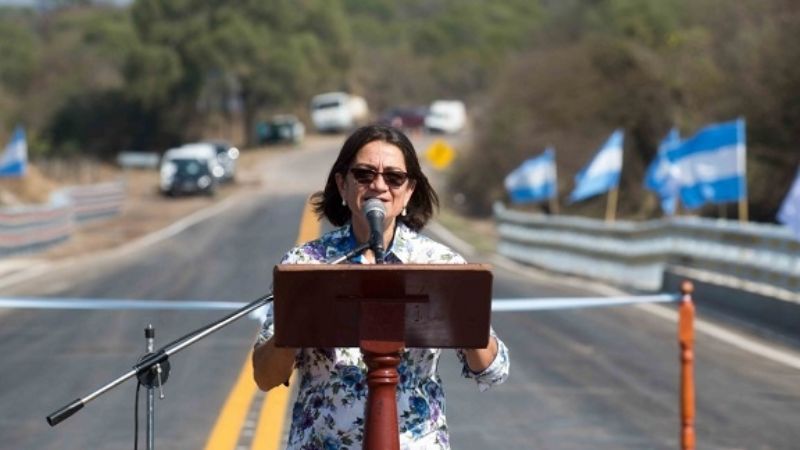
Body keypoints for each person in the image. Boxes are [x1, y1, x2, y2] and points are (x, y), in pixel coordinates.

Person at [252, 124, 509, 449]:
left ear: (409, 190)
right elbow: (264, 376)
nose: (379, 186)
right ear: (342, 184)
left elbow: (493, 371)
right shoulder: (307, 263)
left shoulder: (438, 263)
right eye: (364, 174)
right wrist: (297, 324)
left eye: (393, 177)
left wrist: (464, 320)